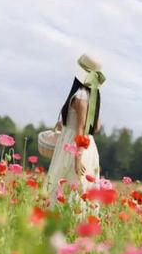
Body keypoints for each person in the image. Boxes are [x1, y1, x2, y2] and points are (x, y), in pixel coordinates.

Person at [44, 54, 105, 208]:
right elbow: (95, 128)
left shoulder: (80, 96)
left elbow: (80, 129)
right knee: (81, 191)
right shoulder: (91, 98)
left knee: (67, 183)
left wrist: (78, 159)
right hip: (88, 146)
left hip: (75, 146)